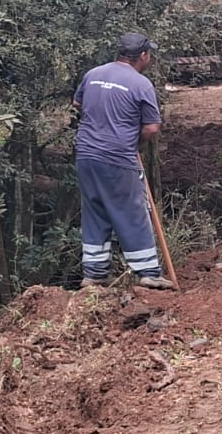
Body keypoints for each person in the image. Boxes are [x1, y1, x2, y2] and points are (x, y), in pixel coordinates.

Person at [73, 32, 174, 289]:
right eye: (149, 54)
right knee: (132, 211)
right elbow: (151, 127)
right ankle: (148, 272)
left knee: (95, 210)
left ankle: (94, 273)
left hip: (86, 155)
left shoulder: (93, 74)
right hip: (117, 156)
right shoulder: (141, 84)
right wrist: (134, 142)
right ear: (143, 55)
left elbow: (77, 104)